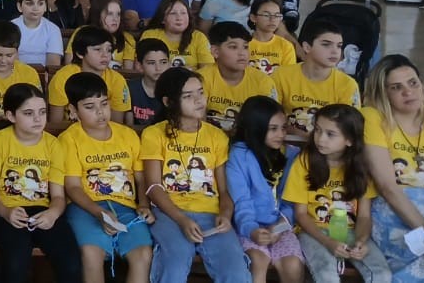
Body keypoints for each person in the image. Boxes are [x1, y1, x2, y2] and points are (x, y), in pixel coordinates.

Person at [138, 67, 246, 283]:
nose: (199, 100)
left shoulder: (217, 136)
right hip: (169, 213)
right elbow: (153, 187)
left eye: (200, 92)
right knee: (174, 263)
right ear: (168, 102)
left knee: (236, 271)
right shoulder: (154, 134)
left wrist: (225, 215)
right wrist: (181, 219)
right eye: (188, 96)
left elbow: (223, 191)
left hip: (210, 214)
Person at [359, 55, 424, 281]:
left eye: (413, 83)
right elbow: (388, 187)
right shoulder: (372, 118)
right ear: (384, 93)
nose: (408, 92)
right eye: (396, 87)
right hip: (396, 212)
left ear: (422, 85)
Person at [58, 72, 154, 283]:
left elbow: (141, 178)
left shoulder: (127, 135)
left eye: (104, 103)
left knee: (143, 254)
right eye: (89, 107)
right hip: (85, 208)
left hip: (126, 208)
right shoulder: (69, 139)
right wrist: (98, 212)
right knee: (91, 253)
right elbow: (73, 187)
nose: (100, 112)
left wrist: (144, 204)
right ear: (73, 110)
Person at [0, 84, 83, 283]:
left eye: (42, 112)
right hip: (8, 211)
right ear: (11, 116)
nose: (38, 119)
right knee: (16, 263)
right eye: (28, 113)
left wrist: (53, 214)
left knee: (71, 263)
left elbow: (58, 196)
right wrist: (6, 212)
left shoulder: (53, 144)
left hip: (43, 211)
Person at [283, 105, 391, 282]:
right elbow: (301, 215)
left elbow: (364, 216)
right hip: (313, 231)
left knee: (382, 274)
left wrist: (361, 241)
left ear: (349, 140)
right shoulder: (304, 162)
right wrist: (327, 242)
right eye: (318, 130)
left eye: (330, 134)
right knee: (326, 272)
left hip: (351, 231)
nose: (320, 138)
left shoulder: (362, 168)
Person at [225, 96, 306, 283]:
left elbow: (291, 202)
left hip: (281, 227)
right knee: (257, 260)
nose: (281, 134)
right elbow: (241, 201)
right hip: (247, 227)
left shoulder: (292, 155)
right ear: (256, 128)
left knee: (293, 264)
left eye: (283, 128)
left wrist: (279, 227)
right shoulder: (239, 156)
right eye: (273, 129)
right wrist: (252, 229)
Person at [272, 19, 361, 139]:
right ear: (307, 47)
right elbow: (269, 117)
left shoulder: (347, 85)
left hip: (327, 147)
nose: (335, 51)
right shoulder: (281, 75)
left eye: (339, 46)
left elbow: (350, 128)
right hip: (284, 142)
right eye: (326, 44)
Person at [200, 22, 277, 133]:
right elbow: (196, 123)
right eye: (233, 47)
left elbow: (267, 125)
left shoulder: (262, 82)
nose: (242, 53)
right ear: (215, 52)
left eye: (245, 47)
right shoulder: (201, 79)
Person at [48, 27, 133, 124]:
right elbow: (56, 123)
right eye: (97, 49)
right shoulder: (63, 77)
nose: (105, 55)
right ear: (80, 53)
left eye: (109, 50)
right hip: (70, 131)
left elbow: (116, 125)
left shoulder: (117, 80)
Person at [140, 0, 211, 70]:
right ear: (162, 19)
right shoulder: (150, 35)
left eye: (183, 13)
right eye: (173, 13)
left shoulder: (199, 37)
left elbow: (208, 70)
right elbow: (140, 68)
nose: (179, 18)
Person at [11, 0, 62, 67]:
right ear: (19, 6)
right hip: (15, 72)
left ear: (45, 7)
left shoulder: (53, 29)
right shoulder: (10, 27)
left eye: (40, 3)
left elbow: (53, 64)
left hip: (44, 73)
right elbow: (8, 58)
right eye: (29, 3)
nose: (35, 8)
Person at [131, 38, 173, 128]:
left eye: (163, 62)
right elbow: (128, 126)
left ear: (169, 64)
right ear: (139, 65)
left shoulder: (176, 90)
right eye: (151, 63)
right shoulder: (130, 89)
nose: (158, 68)